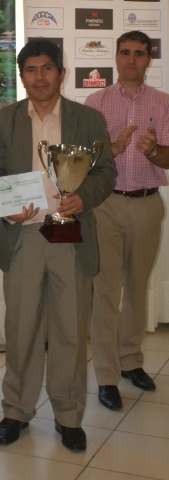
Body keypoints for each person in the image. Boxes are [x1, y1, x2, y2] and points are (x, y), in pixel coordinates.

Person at [0, 39, 115, 452]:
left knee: (70, 331)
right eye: (30, 70)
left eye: (46, 69)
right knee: (21, 329)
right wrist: (5, 207)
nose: (39, 78)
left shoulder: (88, 119)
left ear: (61, 73)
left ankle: (68, 414)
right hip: (23, 237)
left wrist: (85, 196)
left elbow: (105, 172)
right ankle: (16, 410)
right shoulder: (4, 120)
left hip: (70, 236)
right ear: (22, 76)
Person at [85, 31, 169, 412]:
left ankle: (131, 361)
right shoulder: (95, 102)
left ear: (148, 59)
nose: (132, 59)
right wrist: (112, 149)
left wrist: (155, 153)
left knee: (136, 288)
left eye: (139, 53)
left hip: (149, 204)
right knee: (105, 293)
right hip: (106, 205)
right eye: (125, 52)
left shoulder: (163, 103)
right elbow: (83, 162)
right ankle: (106, 374)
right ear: (115, 57)